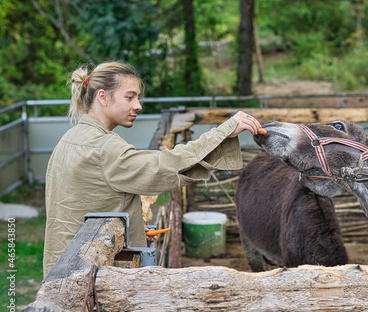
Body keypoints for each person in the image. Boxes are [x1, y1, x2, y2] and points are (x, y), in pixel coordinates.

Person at [43, 61, 263, 276]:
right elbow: (162, 167)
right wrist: (223, 132)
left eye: (138, 98)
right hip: (89, 278)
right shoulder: (104, 147)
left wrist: (130, 231)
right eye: (130, 97)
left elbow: (85, 202)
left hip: (63, 268)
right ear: (103, 96)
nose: (138, 105)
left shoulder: (69, 138)